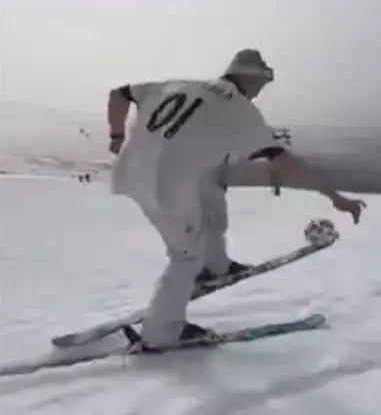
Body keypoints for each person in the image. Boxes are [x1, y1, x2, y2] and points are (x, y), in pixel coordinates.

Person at [107, 48, 366, 351]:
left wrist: (116, 137)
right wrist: (335, 197)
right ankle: (161, 333)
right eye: (261, 84)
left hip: (133, 170)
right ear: (250, 79)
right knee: (186, 256)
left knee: (211, 184)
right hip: (165, 187)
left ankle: (216, 266)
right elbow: (286, 162)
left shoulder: (181, 85)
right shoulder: (242, 112)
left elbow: (119, 94)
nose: (260, 91)